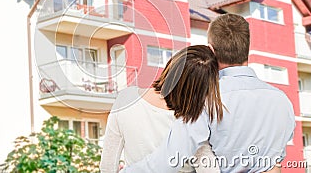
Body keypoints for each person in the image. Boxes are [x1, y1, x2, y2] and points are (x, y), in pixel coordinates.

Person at [122, 13, 295, 173]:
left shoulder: (206, 100)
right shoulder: (282, 100)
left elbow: (167, 160)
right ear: (247, 48)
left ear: (211, 50)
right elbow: (277, 157)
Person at [100, 45, 223, 173]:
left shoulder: (126, 99)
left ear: (172, 65)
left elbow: (108, 166)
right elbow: (209, 169)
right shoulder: (193, 118)